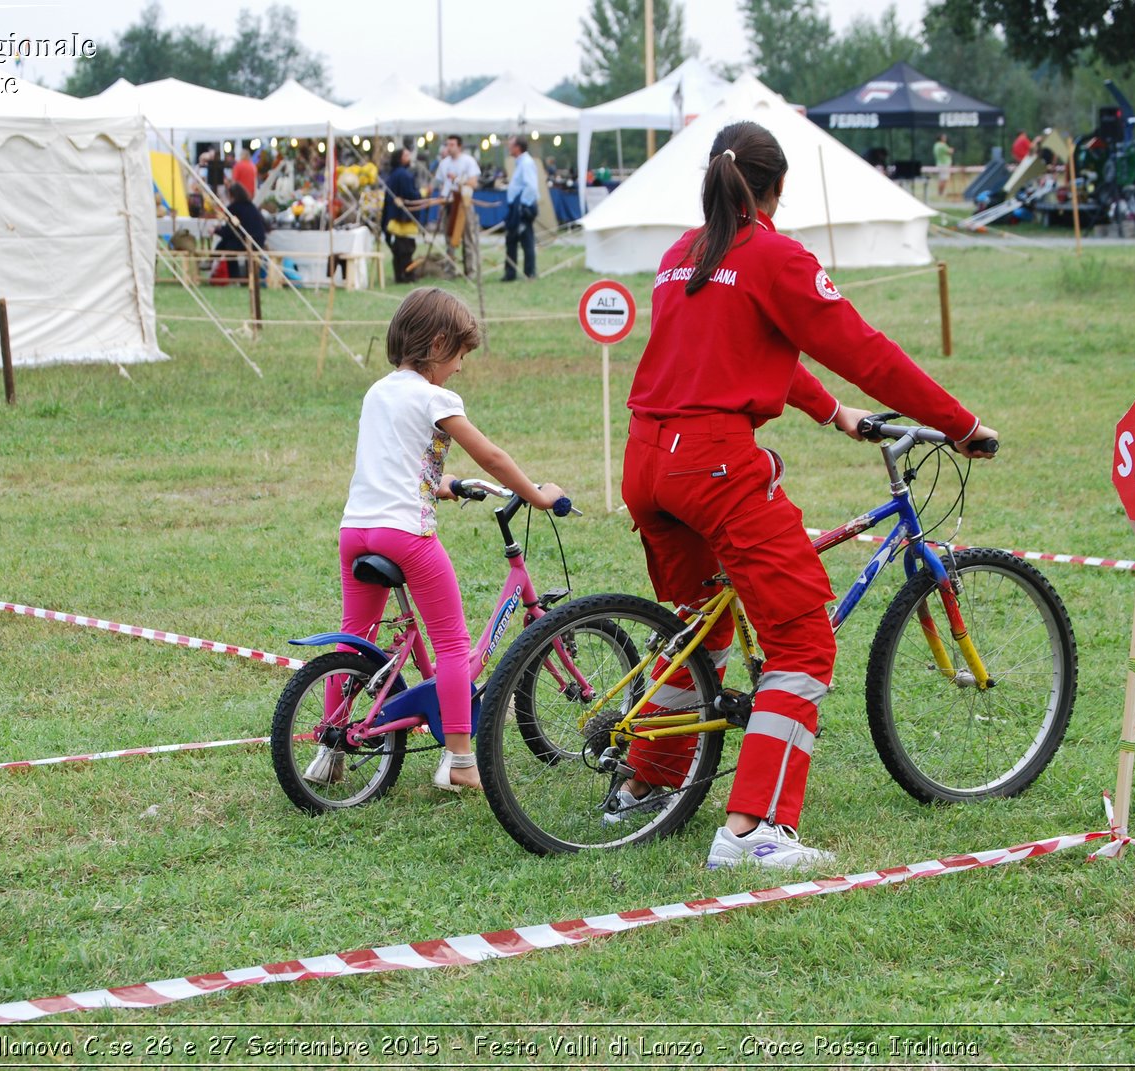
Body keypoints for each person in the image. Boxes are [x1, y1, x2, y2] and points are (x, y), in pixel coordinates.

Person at [617, 121, 997, 870]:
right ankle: (754, 829)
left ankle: (646, 782)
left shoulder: (679, 256)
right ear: (775, 190)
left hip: (646, 461)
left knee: (700, 627)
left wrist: (834, 413)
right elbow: (865, 352)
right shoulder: (773, 255)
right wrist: (958, 424)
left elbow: (748, 349)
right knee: (802, 638)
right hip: (715, 464)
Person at [327, 289, 565, 791]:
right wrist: (538, 496)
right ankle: (459, 761)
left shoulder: (378, 391)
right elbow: (492, 457)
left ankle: (330, 749)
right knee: (454, 644)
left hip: (356, 529)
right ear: (437, 345)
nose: (459, 367)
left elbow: (393, 463)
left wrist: (445, 486)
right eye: (459, 355)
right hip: (406, 534)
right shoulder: (435, 397)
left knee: (356, 639)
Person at [436, 135, 481, 277]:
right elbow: (442, 184)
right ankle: (450, 269)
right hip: (448, 202)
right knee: (449, 238)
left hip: (463, 203)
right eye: (447, 144)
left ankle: (470, 270)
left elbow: (473, 182)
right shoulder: (444, 163)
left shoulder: (468, 161)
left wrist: (457, 179)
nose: (449, 147)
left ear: (459, 146)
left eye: (452, 144)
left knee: (468, 237)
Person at [382, 147, 428, 283]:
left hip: (397, 217)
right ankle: (406, 276)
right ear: (400, 158)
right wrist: (423, 193)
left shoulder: (395, 174)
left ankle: (401, 275)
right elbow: (411, 195)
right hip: (403, 219)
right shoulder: (403, 175)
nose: (409, 157)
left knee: (400, 249)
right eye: (406, 154)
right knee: (406, 249)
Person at [502, 136, 540, 282]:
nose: (508, 147)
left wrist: (522, 206)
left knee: (526, 239)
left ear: (518, 147)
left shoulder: (526, 163)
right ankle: (510, 273)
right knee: (511, 239)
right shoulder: (521, 163)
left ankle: (529, 273)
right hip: (517, 206)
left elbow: (531, 186)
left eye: (511, 145)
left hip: (522, 207)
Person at [215, 181, 266, 279]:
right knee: (227, 244)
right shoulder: (251, 206)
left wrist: (216, 231)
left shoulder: (233, 208)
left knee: (228, 245)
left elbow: (228, 232)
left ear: (231, 195)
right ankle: (245, 278)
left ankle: (234, 277)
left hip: (248, 241)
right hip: (258, 240)